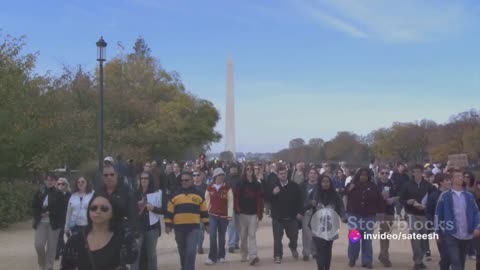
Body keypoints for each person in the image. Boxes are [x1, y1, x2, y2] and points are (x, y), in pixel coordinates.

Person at [60, 194, 138, 270]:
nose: (98, 211)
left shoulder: (121, 237)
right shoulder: (75, 239)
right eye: (93, 208)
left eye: (104, 208)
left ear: (112, 212)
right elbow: (66, 266)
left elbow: (131, 258)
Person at [435, 168, 480, 270]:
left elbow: (476, 212)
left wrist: (478, 227)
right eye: (457, 176)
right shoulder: (445, 196)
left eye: (461, 176)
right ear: (451, 179)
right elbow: (438, 215)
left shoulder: (469, 196)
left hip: (466, 233)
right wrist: (437, 232)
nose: (460, 178)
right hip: (451, 233)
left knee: (461, 260)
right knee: (455, 260)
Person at [164, 172, 209, 270]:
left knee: (191, 251)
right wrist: (168, 224)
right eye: (182, 180)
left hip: (193, 228)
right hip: (179, 228)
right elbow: (169, 210)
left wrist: (206, 224)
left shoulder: (198, 194)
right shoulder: (175, 194)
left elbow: (204, 210)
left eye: (186, 180)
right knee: (182, 251)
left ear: (192, 181)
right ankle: (184, 266)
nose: (184, 182)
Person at [345, 168, 384, 269]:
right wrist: (349, 189)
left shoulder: (373, 186)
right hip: (354, 215)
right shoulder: (352, 185)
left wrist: (380, 212)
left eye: (365, 175)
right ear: (358, 176)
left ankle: (367, 261)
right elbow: (343, 194)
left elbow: (380, 200)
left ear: (368, 176)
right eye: (361, 175)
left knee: (367, 240)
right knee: (354, 240)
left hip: (369, 216)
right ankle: (352, 258)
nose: (363, 177)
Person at [266, 165, 304, 264]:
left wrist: (300, 212)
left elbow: (300, 200)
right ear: (278, 175)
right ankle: (277, 255)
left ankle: (293, 247)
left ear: (287, 174)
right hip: (278, 217)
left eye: (284, 173)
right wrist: (273, 193)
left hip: (291, 216)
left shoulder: (294, 186)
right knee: (277, 239)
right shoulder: (273, 185)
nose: (283, 175)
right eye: (281, 174)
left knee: (293, 236)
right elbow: (266, 199)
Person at [399, 164, 435, 270]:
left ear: (422, 172)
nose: (417, 174)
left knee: (423, 238)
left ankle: (421, 257)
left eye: (419, 171)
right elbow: (401, 199)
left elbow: (433, 199)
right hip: (411, 213)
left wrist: (426, 206)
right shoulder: (407, 185)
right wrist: (407, 201)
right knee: (415, 236)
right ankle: (417, 261)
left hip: (423, 214)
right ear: (412, 173)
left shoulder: (428, 185)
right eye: (414, 171)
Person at [309, 175, 345, 270]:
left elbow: (341, 206)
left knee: (328, 250)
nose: (326, 183)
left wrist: (342, 216)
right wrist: (310, 203)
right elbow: (306, 203)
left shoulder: (335, 194)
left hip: (331, 225)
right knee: (320, 250)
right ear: (320, 183)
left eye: (328, 182)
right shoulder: (315, 193)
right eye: (323, 181)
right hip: (317, 225)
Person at [32, 173, 66, 270]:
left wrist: (50, 213)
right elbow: (34, 206)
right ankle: (42, 264)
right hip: (41, 222)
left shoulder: (59, 194)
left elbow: (62, 209)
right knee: (39, 245)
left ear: (55, 181)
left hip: (54, 223)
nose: (49, 181)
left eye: (52, 180)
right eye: (48, 179)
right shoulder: (40, 191)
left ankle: (49, 267)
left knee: (51, 247)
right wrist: (39, 213)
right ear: (45, 181)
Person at [234, 163, 263, 265]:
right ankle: (244, 254)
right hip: (242, 213)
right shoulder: (240, 183)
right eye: (247, 169)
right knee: (243, 236)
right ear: (245, 171)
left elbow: (260, 199)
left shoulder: (257, 184)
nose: (249, 171)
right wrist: (237, 209)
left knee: (252, 235)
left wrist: (260, 213)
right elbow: (236, 197)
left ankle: (253, 256)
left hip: (253, 213)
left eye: (251, 169)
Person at [132, 172, 162, 270]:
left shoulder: (156, 193)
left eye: (146, 178)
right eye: (142, 178)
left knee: (151, 254)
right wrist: (137, 205)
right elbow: (129, 210)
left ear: (150, 180)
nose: (144, 180)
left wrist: (153, 208)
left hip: (152, 227)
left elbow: (163, 210)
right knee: (135, 254)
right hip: (138, 227)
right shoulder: (134, 193)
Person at [205, 168, 234, 265]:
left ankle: (221, 256)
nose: (221, 177)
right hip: (212, 215)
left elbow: (230, 202)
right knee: (212, 236)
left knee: (222, 236)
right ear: (215, 177)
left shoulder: (227, 188)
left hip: (223, 216)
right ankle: (211, 257)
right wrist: (206, 214)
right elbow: (206, 202)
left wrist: (229, 215)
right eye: (219, 175)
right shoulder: (210, 188)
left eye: (222, 175)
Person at [426, 173, 452, 270]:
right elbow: (429, 212)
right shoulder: (434, 196)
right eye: (447, 180)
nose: (449, 182)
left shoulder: (454, 194)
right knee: (445, 255)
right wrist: (433, 227)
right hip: (440, 230)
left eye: (450, 180)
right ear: (441, 182)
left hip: (454, 229)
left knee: (454, 255)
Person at [376, 167, 399, 267]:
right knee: (384, 234)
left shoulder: (392, 184)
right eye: (382, 173)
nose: (385, 175)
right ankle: (385, 257)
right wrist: (380, 196)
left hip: (390, 211)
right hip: (380, 212)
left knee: (386, 235)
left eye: (387, 173)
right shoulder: (376, 184)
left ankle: (382, 254)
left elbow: (400, 195)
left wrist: (393, 199)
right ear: (379, 174)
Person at [300, 168, 319, 261]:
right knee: (306, 233)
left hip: (317, 212)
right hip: (306, 211)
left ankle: (315, 252)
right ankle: (306, 252)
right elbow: (299, 199)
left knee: (315, 233)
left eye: (314, 173)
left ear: (317, 175)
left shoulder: (320, 186)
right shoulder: (303, 185)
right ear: (308, 175)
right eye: (311, 173)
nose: (312, 175)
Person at [226, 165, 241, 253]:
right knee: (231, 225)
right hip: (229, 205)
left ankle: (235, 242)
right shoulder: (226, 179)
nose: (233, 170)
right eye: (232, 168)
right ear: (230, 169)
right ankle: (231, 244)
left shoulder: (241, 179)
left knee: (238, 226)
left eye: (235, 168)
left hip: (239, 205)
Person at [55, 178, 72, 260]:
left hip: (69, 219)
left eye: (62, 184)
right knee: (59, 236)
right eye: (58, 184)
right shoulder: (55, 195)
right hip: (59, 219)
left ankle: (69, 250)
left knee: (70, 236)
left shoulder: (70, 195)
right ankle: (58, 253)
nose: (60, 186)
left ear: (66, 185)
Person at [193, 170, 208, 254]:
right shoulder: (190, 187)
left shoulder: (205, 187)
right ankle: (194, 246)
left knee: (201, 230)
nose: (196, 177)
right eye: (194, 175)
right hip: (192, 212)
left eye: (198, 175)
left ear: (201, 176)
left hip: (202, 211)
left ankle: (200, 246)